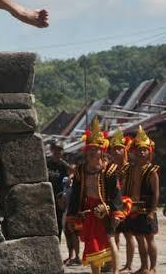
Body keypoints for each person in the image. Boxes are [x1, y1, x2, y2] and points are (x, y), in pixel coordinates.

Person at [66, 117, 125, 274]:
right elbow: (76, 194)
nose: (92, 152)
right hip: (89, 211)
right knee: (91, 244)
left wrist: (115, 212)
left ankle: (116, 272)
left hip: (105, 209)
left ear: (102, 150)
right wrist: (72, 216)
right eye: (89, 149)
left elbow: (116, 193)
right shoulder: (80, 170)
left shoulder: (110, 170)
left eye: (95, 149)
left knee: (110, 238)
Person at [124, 126, 159, 274]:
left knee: (149, 238)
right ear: (134, 151)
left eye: (145, 150)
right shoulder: (131, 169)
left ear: (149, 152)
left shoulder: (152, 171)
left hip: (147, 209)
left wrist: (152, 211)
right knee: (139, 238)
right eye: (139, 150)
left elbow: (156, 193)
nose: (142, 152)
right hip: (134, 208)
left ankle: (153, 267)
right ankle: (143, 266)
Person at [108, 129, 135, 273]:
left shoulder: (130, 168)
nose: (116, 151)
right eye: (114, 149)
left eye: (119, 148)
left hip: (127, 205)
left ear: (125, 151)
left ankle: (129, 264)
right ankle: (115, 264)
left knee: (129, 234)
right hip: (114, 204)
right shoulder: (109, 168)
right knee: (114, 235)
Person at [46, 140, 71, 240]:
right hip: (46, 196)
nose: (58, 152)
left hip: (59, 197)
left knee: (59, 221)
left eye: (60, 150)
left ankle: (58, 240)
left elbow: (68, 182)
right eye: (56, 149)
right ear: (52, 150)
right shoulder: (46, 163)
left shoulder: (64, 166)